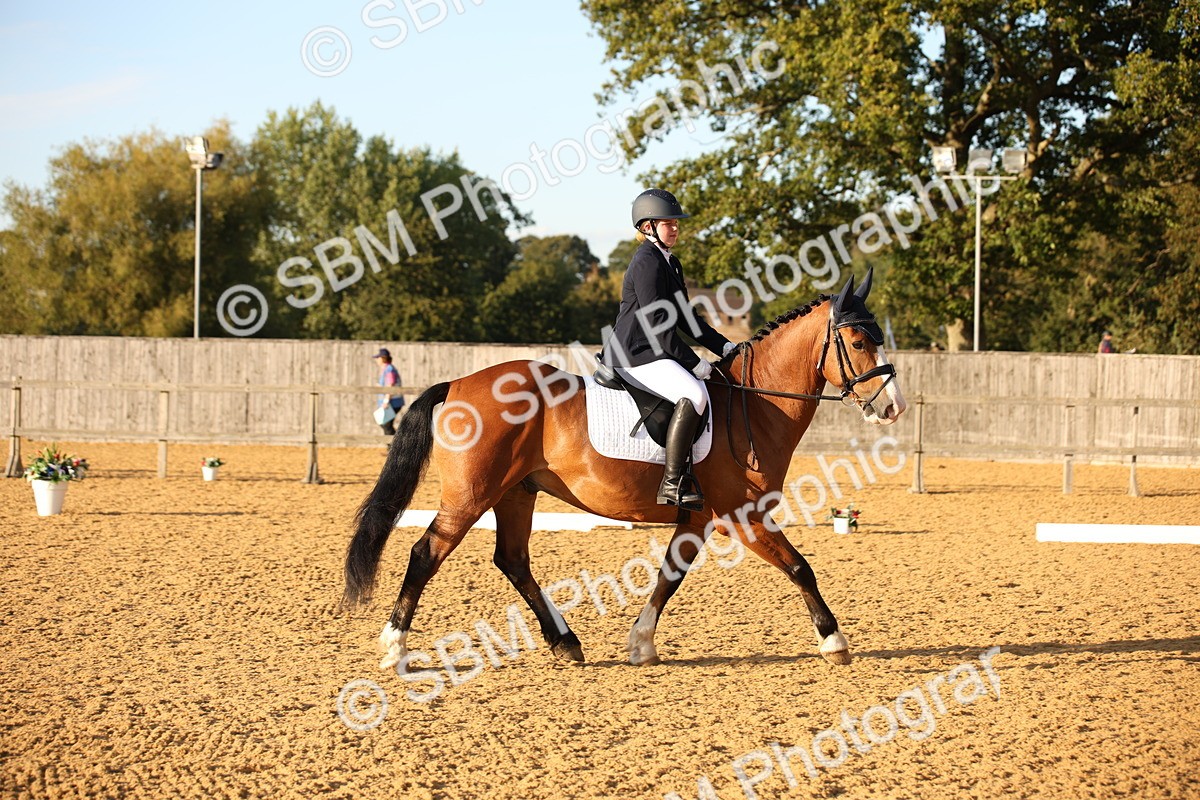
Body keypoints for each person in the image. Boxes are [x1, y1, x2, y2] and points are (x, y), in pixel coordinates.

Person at [601, 188, 737, 511]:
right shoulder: (647, 262)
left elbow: (687, 319)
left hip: (653, 351)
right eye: (667, 222)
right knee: (696, 393)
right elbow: (658, 323)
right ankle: (673, 481)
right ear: (648, 227)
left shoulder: (670, 263)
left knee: (700, 388)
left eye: (676, 222)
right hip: (633, 354)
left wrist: (726, 346)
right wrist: (694, 363)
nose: (675, 227)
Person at [373, 348, 405, 435]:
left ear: (383, 358)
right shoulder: (387, 369)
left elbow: (391, 385)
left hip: (392, 402)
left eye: (378, 357)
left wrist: (386, 401)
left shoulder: (389, 369)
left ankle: (394, 446)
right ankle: (395, 446)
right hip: (391, 402)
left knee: (386, 425)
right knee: (386, 425)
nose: (377, 360)